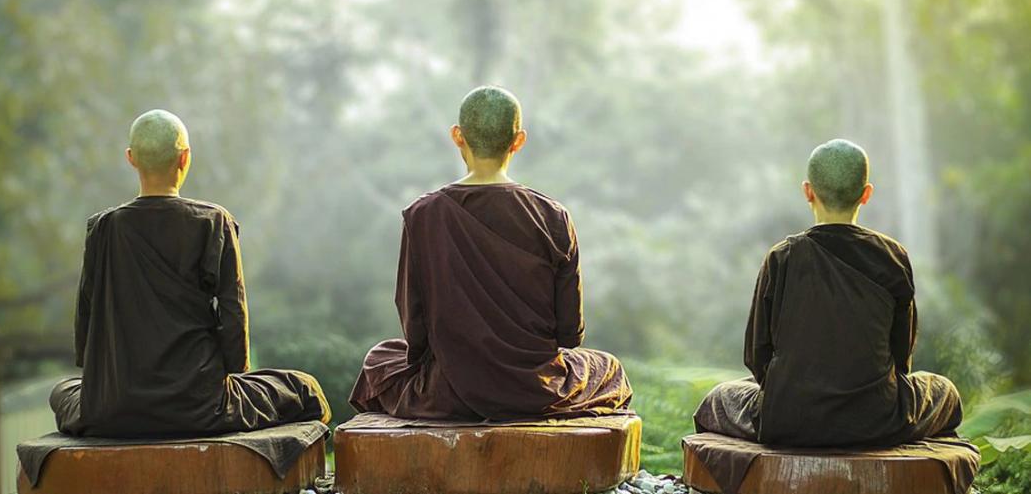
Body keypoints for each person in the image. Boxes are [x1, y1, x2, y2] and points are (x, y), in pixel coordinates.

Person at [349, 86, 632, 420]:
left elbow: (415, 331)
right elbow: (570, 333)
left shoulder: (423, 215)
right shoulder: (553, 216)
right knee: (608, 368)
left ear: (458, 136)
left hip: (449, 391)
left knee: (379, 359)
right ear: (519, 140)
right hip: (536, 390)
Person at [50, 109, 330, 437]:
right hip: (198, 405)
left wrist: (100, 376)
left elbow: (86, 311)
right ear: (185, 158)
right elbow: (232, 311)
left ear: (131, 159)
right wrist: (233, 372)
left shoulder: (102, 228)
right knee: (303, 388)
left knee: (63, 391)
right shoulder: (212, 222)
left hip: (111, 407)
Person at [694, 138, 963, 447]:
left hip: (788, 418)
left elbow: (756, 356)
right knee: (944, 392)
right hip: (878, 419)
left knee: (720, 398)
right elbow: (901, 354)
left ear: (808, 191)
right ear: (866, 195)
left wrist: (793, 395)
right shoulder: (893, 256)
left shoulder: (782, 257)